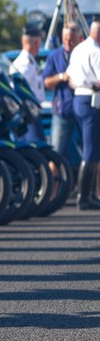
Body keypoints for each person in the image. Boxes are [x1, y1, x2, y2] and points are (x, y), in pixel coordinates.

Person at [65, 19, 100, 209]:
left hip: (79, 97)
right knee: (91, 151)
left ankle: (90, 195)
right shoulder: (96, 52)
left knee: (93, 150)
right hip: (91, 100)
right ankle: (84, 197)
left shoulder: (79, 49)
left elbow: (69, 77)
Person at [43, 21, 82, 164]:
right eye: (65, 39)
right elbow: (46, 82)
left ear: (80, 39)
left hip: (83, 111)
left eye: (71, 40)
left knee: (90, 153)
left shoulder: (85, 54)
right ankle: (53, 185)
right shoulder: (54, 56)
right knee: (55, 153)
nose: (68, 43)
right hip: (62, 111)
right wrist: (61, 77)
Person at [10, 27, 45, 141]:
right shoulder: (26, 63)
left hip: (29, 111)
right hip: (29, 112)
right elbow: (18, 88)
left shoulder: (26, 61)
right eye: (39, 42)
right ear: (35, 43)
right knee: (35, 146)